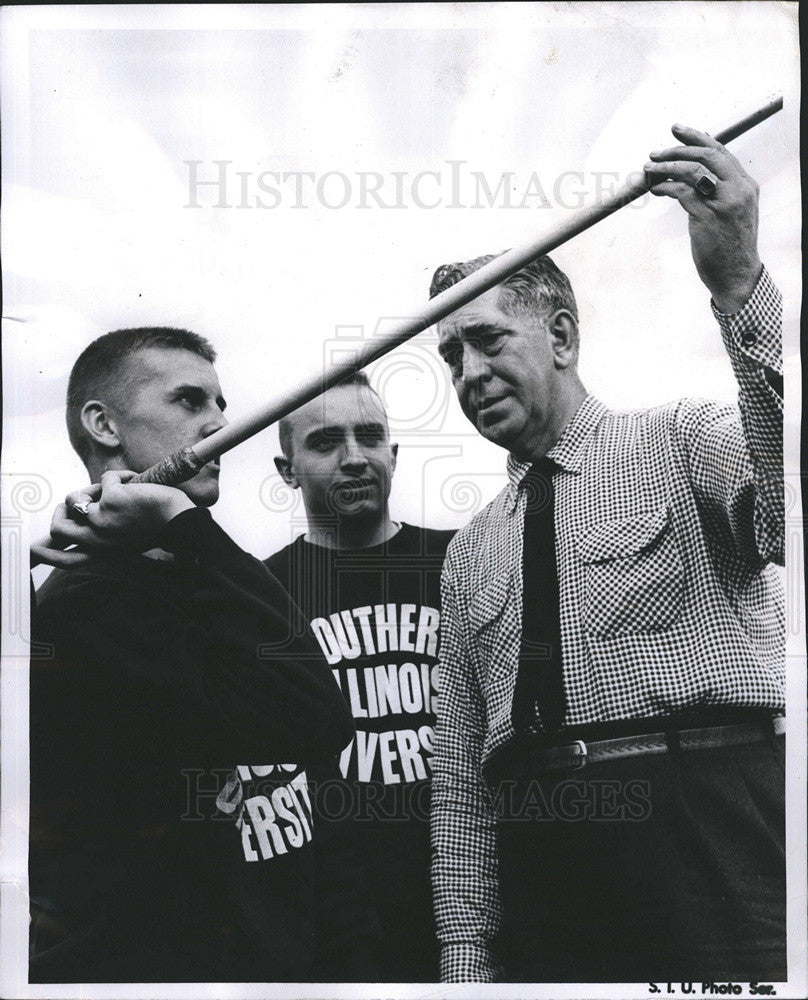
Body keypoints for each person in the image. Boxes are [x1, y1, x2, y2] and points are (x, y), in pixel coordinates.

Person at [429, 125, 786, 982]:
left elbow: (786, 513)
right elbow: (459, 776)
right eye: (449, 357)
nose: (468, 372)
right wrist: (464, 953)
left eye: (486, 340)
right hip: (547, 866)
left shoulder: (684, 437)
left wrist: (739, 284)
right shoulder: (470, 550)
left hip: (710, 831)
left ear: (559, 335)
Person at [29, 327, 377, 983]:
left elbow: (305, 805)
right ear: (104, 424)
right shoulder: (89, 606)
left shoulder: (199, 579)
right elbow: (316, 717)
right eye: (189, 401)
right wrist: (184, 523)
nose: (220, 423)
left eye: (220, 403)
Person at [265, 372, 455, 982]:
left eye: (370, 437)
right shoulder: (261, 595)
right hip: (341, 914)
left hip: (465, 884)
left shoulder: (464, 558)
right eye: (324, 443)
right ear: (287, 469)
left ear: (393, 456)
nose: (353, 458)